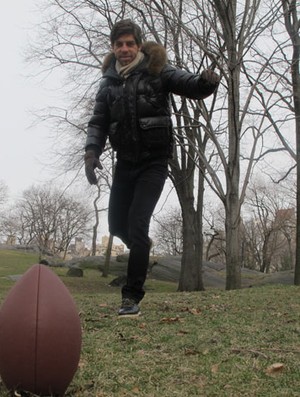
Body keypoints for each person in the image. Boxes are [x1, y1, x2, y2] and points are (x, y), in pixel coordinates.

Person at [84, 19, 219, 316]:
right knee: (118, 226)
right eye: (119, 44)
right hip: (125, 164)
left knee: (137, 223)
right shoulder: (108, 83)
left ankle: (130, 297)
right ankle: (141, 246)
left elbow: (188, 83)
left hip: (154, 162)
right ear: (113, 47)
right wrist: (91, 154)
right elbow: (98, 123)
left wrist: (205, 83)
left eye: (130, 43)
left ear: (139, 45)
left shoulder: (157, 70)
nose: (125, 49)